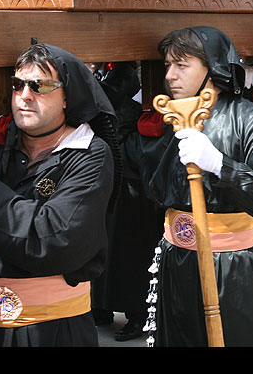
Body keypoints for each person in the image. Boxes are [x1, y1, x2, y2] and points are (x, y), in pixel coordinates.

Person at [0, 43, 119, 347]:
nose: (25, 95)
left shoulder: (90, 154)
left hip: (52, 330)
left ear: (68, 96)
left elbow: (54, 239)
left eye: (39, 85)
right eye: (17, 85)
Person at [145, 26, 253, 347]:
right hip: (176, 259)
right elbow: (156, 189)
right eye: (167, 66)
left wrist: (219, 164)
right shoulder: (174, 117)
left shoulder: (252, 119)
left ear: (212, 68)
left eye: (181, 65)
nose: (170, 75)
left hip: (230, 267)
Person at [89, 61, 164, 342]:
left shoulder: (128, 79)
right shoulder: (110, 75)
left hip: (133, 184)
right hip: (110, 178)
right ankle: (102, 306)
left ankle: (138, 314)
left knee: (131, 252)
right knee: (104, 245)